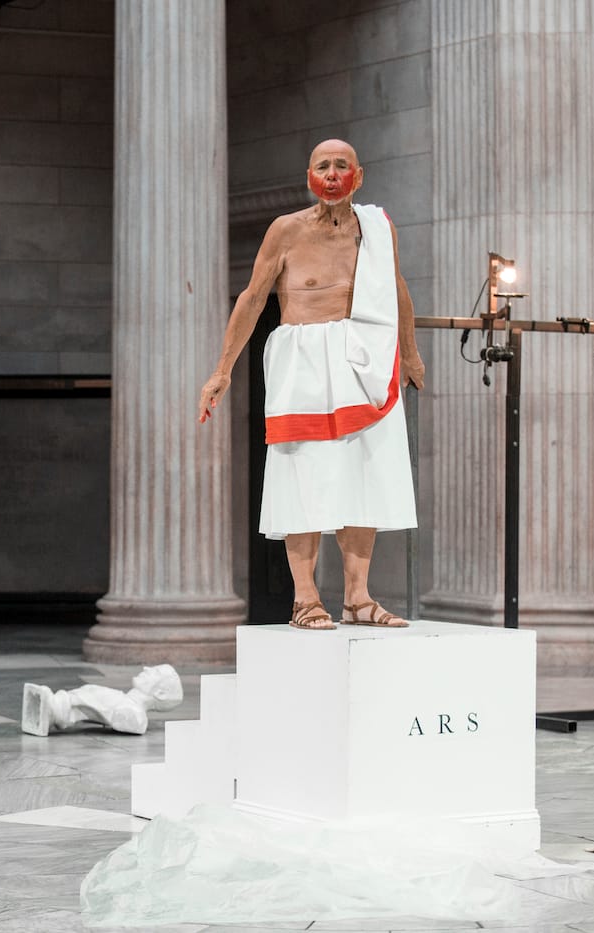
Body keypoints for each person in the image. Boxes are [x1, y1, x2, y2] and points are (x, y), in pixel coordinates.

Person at [198, 139, 424, 631]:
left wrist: (409, 351)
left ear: (358, 176)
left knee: (363, 474)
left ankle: (357, 598)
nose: (332, 174)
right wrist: (223, 369)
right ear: (309, 177)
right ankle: (305, 598)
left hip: (363, 360)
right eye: (323, 166)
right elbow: (253, 297)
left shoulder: (376, 229)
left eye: (342, 165)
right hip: (302, 361)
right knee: (301, 475)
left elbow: (396, 287)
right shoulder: (287, 230)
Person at [21, 665, 184, 736]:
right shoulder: (123, 699)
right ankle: (54, 706)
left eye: (155, 672)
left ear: (160, 693)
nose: (146, 668)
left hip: (58, 711)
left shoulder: (134, 715)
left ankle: (53, 709)